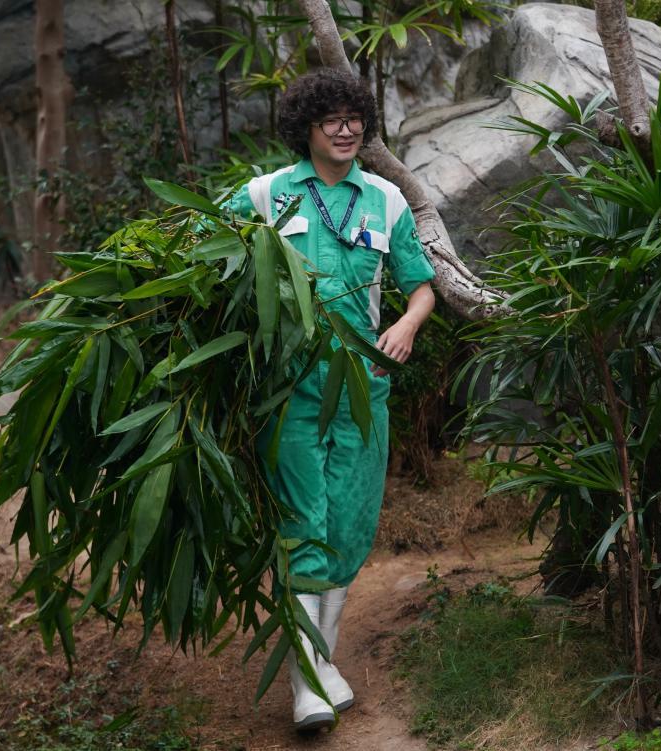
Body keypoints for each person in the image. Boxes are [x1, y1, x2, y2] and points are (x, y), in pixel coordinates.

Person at [224, 68, 436, 732]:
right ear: (306, 128)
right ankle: (308, 682)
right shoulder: (264, 194)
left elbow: (420, 285)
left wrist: (406, 323)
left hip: (361, 385)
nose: (345, 130)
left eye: (354, 118)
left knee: (348, 523)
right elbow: (206, 256)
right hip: (288, 387)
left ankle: (321, 661)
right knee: (302, 522)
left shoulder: (387, 200)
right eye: (331, 120)